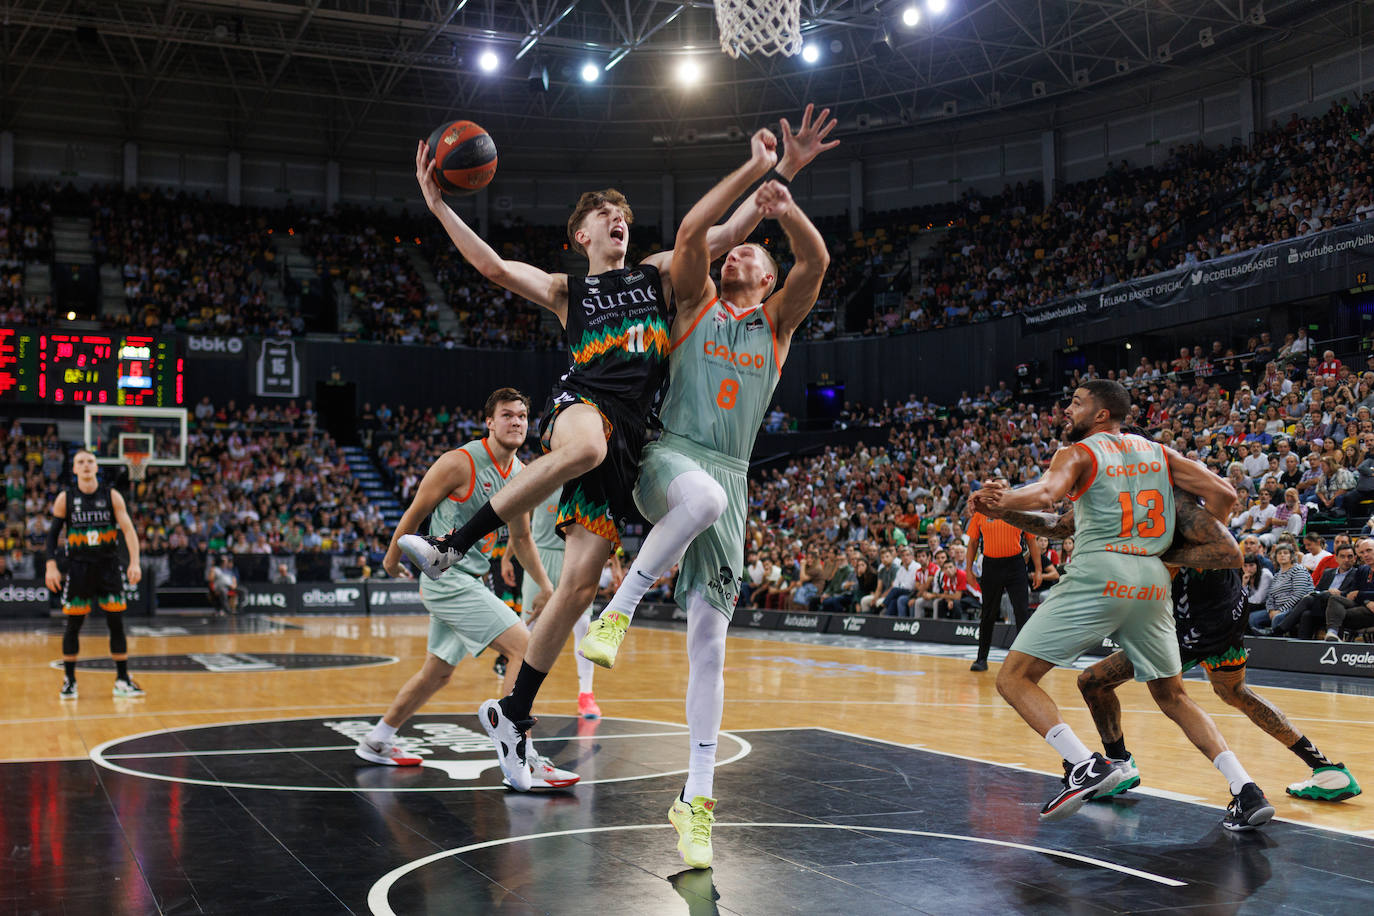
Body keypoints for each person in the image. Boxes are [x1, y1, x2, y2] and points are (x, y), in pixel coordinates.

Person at [399, 109, 834, 793]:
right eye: (603, 214)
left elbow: (729, 230)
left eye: (621, 212)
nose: (616, 219)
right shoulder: (567, 290)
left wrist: (784, 170)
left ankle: (513, 718)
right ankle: (451, 546)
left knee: (574, 592)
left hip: (632, 437)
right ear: (582, 234)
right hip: (583, 408)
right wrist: (436, 204)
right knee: (581, 449)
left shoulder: (660, 275)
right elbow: (489, 265)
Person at [575, 111, 835, 870]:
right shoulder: (691, 304)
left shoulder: (777, 326)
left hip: (731, 474)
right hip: (669, 457)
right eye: (741, 247)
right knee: (703, 501)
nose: (741, 253)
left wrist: (789, 205)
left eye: (753, 250)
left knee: (709, 648)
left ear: (765, 277)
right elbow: (694, 238)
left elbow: (814, 265)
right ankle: (618, 615)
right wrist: (762, 180)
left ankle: (695, 803)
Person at [971, 380, 1276, 830]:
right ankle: (1246, 790)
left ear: (1099, 414)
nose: (1066, 408)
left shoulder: (1076, 453)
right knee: (1173, 696)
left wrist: (1002, 498)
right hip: (1153, 578)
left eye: (1076, 402)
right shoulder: (1159, 453)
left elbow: (1046, 494)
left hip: (1101, 571)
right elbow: (1225, 496)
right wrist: (1171, 547)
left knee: (1015, 678)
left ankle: (1083, 765)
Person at [354, 388, 576, 790]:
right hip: (447, 579)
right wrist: (390, 558)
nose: (516, 422)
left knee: (436, 674)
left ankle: (377, 741)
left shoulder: (521, 473)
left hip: (471, 579)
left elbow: (522, 539)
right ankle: (520, 759)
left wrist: (545, 585)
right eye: (507, 415)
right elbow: (415, 512)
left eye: (523, 416)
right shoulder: (459, 462)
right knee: (524, 647)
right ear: (488, 422)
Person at [44, 450, 143, 699]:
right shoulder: (65, 498)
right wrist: (50, 565)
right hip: (78, 568)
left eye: (90, 461)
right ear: (74, 469)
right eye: (81, 462)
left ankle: (122, 680)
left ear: (97, 467)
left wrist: (135, 562)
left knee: (116, 623)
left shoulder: (112, 495)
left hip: (108, 567)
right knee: (73, 624)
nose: (86, 465)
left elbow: (129, 531)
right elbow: (51, 536)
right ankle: (69, 681)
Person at [509, 487, 602, 719]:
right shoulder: (547, 475)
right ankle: (517, 692)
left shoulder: (588, 478)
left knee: (583, 628)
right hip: (539, 556)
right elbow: (522, 525)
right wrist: (505, 557)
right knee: (527, 629)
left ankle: (586, 694)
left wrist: (614, 566)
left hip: (576, 558)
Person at [967, 491, 1042, 671]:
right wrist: (968, 570)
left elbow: (1032, 541)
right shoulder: (980, 513)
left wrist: (1038, 569)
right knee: (988, 614)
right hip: (991, 566)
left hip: (1015, 565)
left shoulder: (1018, 511)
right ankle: (981, 659)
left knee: (1021, 612)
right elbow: (972, 543)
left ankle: (1026, 661)